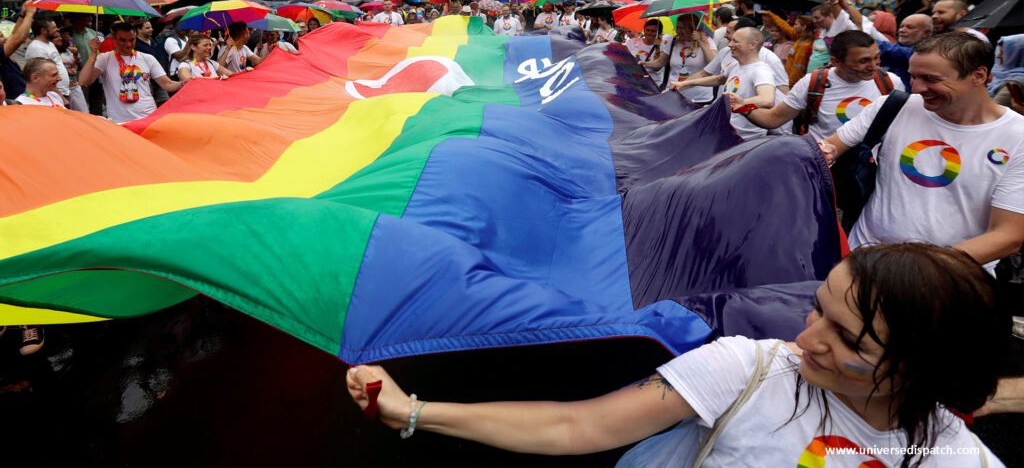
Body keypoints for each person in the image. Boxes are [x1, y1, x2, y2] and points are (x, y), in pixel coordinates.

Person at [349, 243, 1007, 467]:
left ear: (924, 368)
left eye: (848, 338)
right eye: (817, 308)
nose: (807, 338)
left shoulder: (960, 458)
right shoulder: (743, 368)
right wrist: (414, 410)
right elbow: (577, 425)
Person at [819, 32, 1024, 271]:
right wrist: (825, 152)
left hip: (946, 281)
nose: (916, 88)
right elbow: (832, 146)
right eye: (912, 77)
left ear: (978, 76)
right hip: (863, 262)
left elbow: (1008, 235)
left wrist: (920, 269)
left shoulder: (1017, 137)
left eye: (930, 78)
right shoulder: (894, 107)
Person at [727, 30, 903, 140]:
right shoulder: (812, 83)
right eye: (864, 61)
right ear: (836, 62)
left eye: (876, 57)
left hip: (871, 170)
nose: (873, 66)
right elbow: (773, 119)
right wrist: (744, 107)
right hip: (822, 168)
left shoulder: (890, 83)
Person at [677, 27, 776, 139]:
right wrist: (683, 84)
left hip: (744, 139)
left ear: (752, 45)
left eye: (736, 41)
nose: (729, 45)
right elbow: (719, 79)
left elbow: (767, 100)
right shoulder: (735, 65)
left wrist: (740, 102)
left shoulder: (761, 71)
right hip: (726, 131)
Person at [77, 21, 182, 123]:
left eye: (132, 40)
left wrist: (185, 83)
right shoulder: (105, 59)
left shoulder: (147, 58)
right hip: (119, 121)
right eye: (123, 40)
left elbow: (167, 84)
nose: (128, 44)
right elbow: (83, 81)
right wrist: (93, 55)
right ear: (114, 39)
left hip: (147, 117)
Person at [644, 15, 717, 102]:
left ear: (692, 28)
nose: (678, 31)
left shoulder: (707, 41)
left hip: (699, 97)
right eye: (677, 27)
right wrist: (646, 64)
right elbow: (661, 62)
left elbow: (714, 63)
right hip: (674, 93)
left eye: (682, 28)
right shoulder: (672, 41)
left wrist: (700, 42)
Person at [759, 11, 814, 86]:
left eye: (796, 24)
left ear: (804, 27)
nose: (793, 26)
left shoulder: (804, 45)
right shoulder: (799, 38)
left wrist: (790, 84)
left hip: (789, 83)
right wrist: (771, 15)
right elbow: (785, 26)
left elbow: (798, 68)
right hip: (785, 79)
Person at [25, 18, 72, 106]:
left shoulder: (50, 44)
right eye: (54, 28)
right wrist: (62, 98)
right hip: (53, 94)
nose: (57, 29)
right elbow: (44, 76)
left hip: (61, 92)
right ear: (43, 30)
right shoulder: (36, 48)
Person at [0, 4, 36, 99]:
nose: (5, 38)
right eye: (1, 36)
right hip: (14, 104)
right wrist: (29, 14)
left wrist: (22, 15)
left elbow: (13, 35)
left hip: (24, 98)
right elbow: (18, 39)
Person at [628, 19, 669, 83]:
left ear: (659, 33)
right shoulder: (632, 42)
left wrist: (658, 48)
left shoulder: (664, 47)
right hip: (635, 80)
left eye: (653, 31)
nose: (649, 33)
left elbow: (657, 68)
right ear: (644, 30)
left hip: (653, 82)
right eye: (647, 30)